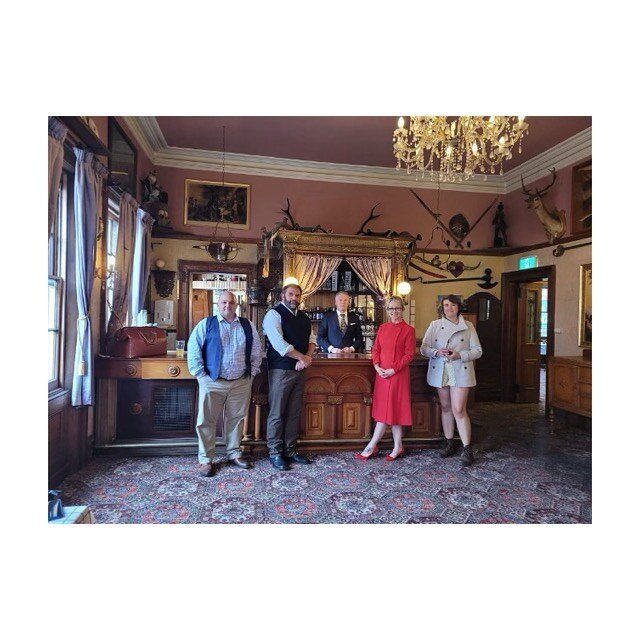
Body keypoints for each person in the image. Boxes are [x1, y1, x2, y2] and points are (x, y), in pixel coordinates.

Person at [187, 291, 262, 477]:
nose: (227, 306)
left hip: (240, 382)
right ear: (217, 304)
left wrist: (251, 374)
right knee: (206, 421)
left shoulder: (247, 325)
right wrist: (201, 375)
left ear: (236, 305)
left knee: (236, 420)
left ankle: (234, 454)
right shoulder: (206, 324)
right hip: (212, 381)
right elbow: (193, 348)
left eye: (231, 302)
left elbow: (256, 351)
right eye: (223, 302)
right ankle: (206, 459)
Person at [420, 294, 482, 467]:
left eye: (453, 305)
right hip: (441, 369)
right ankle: (449, 443)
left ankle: (467, 448)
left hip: (459, 369)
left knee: (459, 409)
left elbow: (478, 351)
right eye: (446, 305)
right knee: (446, 407)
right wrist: (436, 352)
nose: (449, 308)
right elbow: (424, 348)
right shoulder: (435, 325)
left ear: (458, 307)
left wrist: (460, 355)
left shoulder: (468, 326)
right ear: (442, 308)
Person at [262, 283, 316, 470]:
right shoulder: (273, 314)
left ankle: (290, 450)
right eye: (291, 294)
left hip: (300, 370)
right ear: (283, 296)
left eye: (297, 295)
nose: (294, 298)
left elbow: (312, 340)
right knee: (276, 412)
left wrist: (308, 358)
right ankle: (275, 453)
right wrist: (302, 357)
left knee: (294, 412)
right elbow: (278, 343)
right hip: (281, 369)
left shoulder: (303, 317)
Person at [356, 296, 415, 461]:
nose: (394, 312)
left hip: (398, 375)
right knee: (386, 410)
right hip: (382, 374)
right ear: (387, 311)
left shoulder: (408, 330)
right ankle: (398, 446)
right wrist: (376, 366)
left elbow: (409, 355)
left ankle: (371, 445)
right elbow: (375, 349)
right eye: (391, 309)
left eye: (397, 308)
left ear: (402, 309)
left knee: (393, 410)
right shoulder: (382, 328)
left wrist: (393, 370)